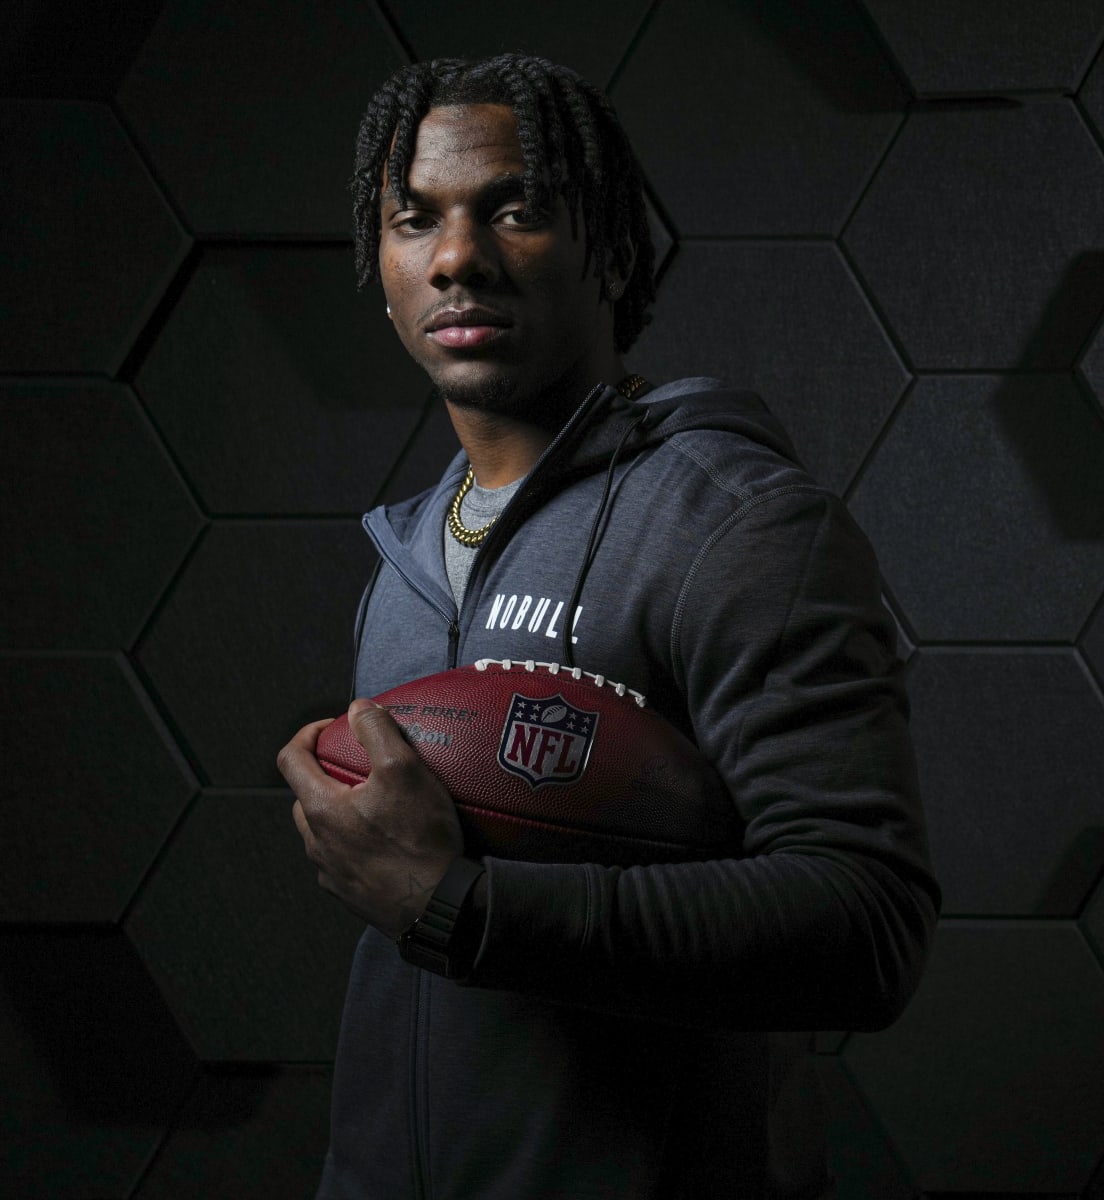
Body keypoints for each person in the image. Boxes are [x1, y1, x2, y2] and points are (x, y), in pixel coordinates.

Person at [274, 53, 939, 1199]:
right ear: (376, 267)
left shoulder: (740, 528)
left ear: (616, 251)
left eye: (516, 210)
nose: (457, 259)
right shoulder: (406, 556)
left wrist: (460, 909)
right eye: (412, 219)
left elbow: (864, 925)